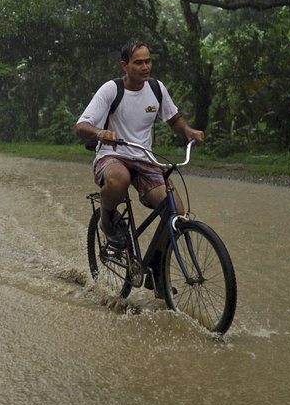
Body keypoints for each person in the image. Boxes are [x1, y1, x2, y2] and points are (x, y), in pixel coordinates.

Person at [75, 40, 205, 250]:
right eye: (138, 63)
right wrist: (100, 133)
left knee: (176, 213)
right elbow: (81, 126)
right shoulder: (111, 89)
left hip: (145, 158)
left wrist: (188, 130)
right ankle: (107, 219)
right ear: (124, 65)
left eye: (148, 61)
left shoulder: (156, 88)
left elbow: (173, 118)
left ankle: (157, 268)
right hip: (112, 155)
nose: (145, 67)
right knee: (119, 179)